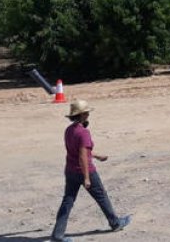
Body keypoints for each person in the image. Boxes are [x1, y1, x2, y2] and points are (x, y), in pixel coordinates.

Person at [50, 100, 132, 242]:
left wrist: (97, 156)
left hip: (70, 171)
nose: (88, 115)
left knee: (67, 201)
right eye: (86, 113)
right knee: (101, 196)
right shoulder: (83, 133)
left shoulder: (69, 130)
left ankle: (57, 235)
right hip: (84, 170)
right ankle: (115, 223)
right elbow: (82, 156)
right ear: (81, 115)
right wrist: (86, 177)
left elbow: (77, 151)